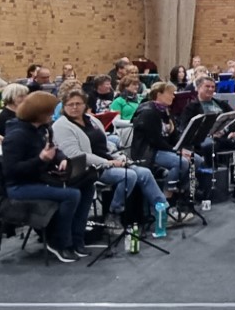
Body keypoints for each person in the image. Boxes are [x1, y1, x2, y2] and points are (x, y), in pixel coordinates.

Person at [55, 89, 184, 229]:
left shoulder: (92, 120)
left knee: (145, 173)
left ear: (85, 104)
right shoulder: (61, 126)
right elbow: (76, 155)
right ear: (64, 106)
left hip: (109, 160)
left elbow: (106, 145)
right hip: (89, 169)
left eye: (78, 104)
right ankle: (113, 213)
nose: (74, 107)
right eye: (70, 104)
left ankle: (163, 211)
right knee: (129, 175)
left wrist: (120, 157)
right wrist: (108, 163)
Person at [0, 92, 87, 261]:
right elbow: (11, 170)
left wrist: (62, 159)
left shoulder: (42, 129)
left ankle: (77, 238)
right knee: (72, 195)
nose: (53, 115)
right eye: (50, 112)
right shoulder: (16, 136)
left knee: (86, 183)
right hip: (19, 186)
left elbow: (54, 149)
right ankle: (59, 242)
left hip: (41, 178)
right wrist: (41, 159)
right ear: (39, 113)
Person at [129, 81, 195, 192]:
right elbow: (155, 141)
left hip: (164, 148)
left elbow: (173, 136)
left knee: (195, 159)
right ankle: (167, 192)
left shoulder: (166, 111)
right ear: (159, 94)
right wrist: (176, 151)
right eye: (170, 93)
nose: (173, 96)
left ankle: (184, 191)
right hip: (149, 151)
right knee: (182, 162)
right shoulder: (148, 113)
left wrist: (182, 148)